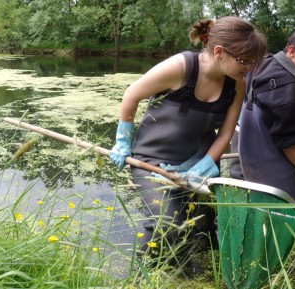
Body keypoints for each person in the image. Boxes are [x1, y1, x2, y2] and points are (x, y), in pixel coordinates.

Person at [107, 16, 267, 265]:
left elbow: (226, 133)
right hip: (153, 162)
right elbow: (131, 94)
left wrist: (205, 164)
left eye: (252, 63)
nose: (247, 68)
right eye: (244, 61)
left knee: (205, 230)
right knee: (168, 226)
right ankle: (147, 277)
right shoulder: (180, 67)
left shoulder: (237, 84)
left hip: (197, 164)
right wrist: (122, 140)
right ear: (219, 52)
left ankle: (194, 277)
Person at [235, 26, 295, 200]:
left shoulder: (263, 62)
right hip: (273, 170)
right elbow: (289, 143)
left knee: (257, 210)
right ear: (292, 51)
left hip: (248, 160)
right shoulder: (291, 92)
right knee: (281, 216)